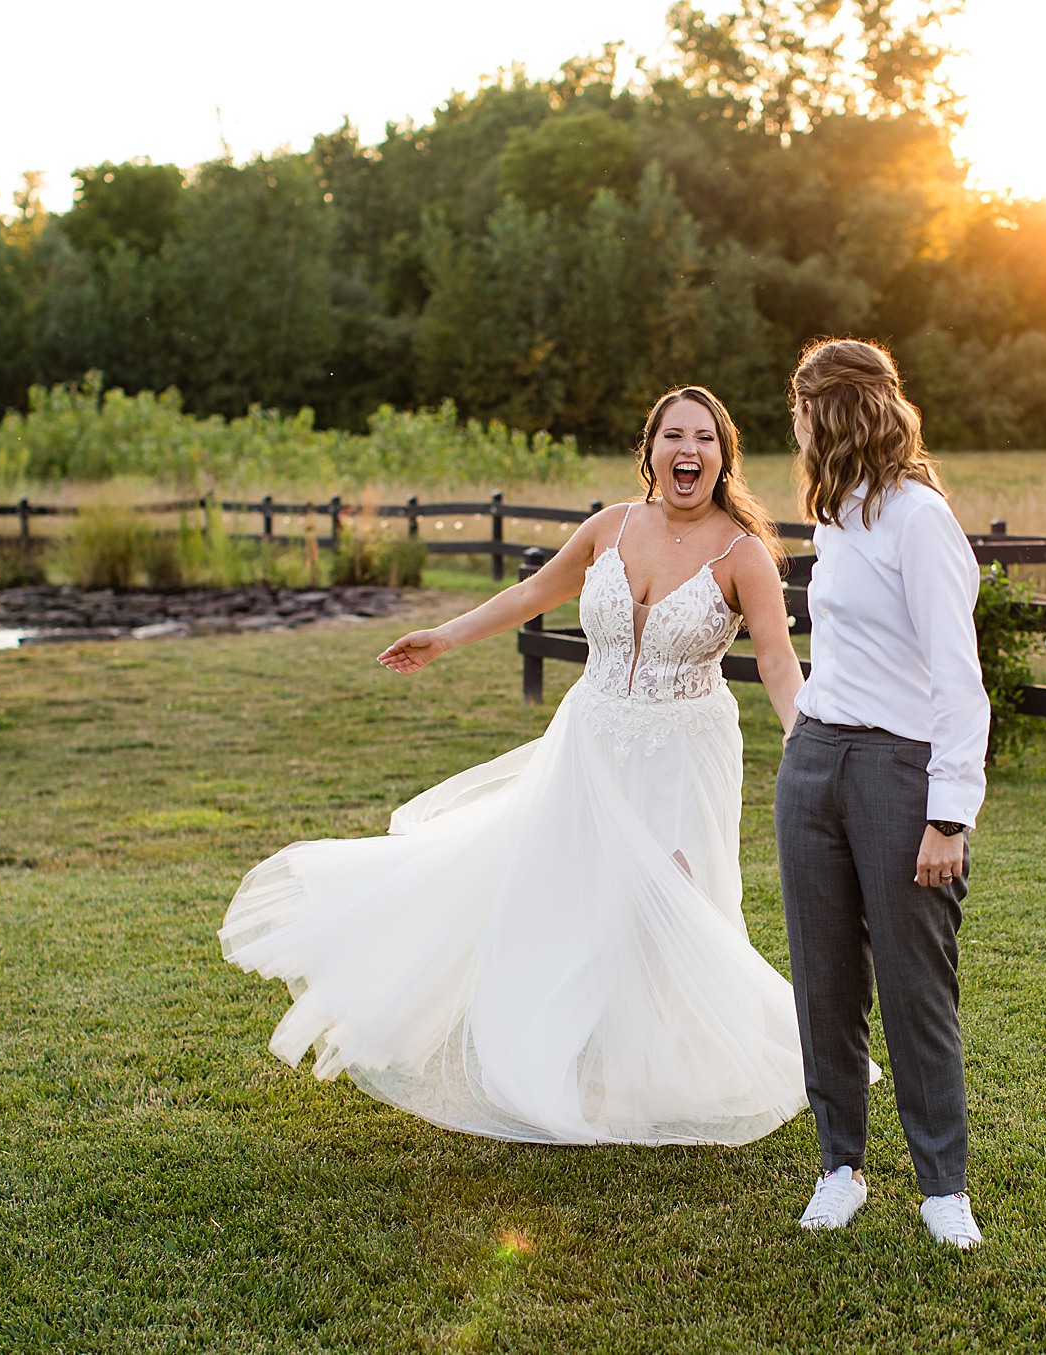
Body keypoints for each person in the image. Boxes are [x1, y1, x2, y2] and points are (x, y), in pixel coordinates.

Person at [219, 385, 828, 1146]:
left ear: (723, 456)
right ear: (650, 451)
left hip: (685, 752)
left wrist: (807, 743)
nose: (689, 451)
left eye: (705, 439)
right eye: (674, 435)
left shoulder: (743, 555)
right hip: (591, 739)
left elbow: (775, 660)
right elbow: (538, 590)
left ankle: (660, 1073)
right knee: (573, 899)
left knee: (672, 906)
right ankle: (574, 1063)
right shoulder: (610, 527)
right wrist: (444, 635)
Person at [775, 339, 992, 1250]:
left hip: (900, 773)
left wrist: (949, 813)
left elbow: (958, 675)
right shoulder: (837, 519)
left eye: (801, 409)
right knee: (824, 978)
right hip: (814, 762)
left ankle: (942, 1186)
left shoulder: (917, 518)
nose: (795, 427)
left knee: (914, 986)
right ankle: (841, 1168)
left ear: (833, 411)